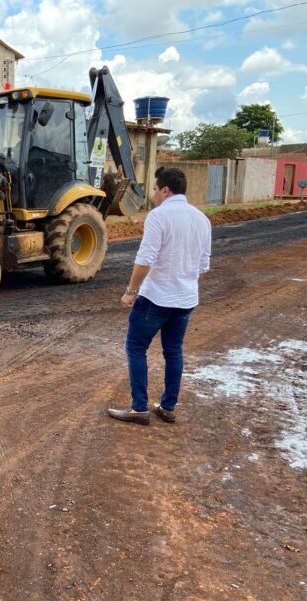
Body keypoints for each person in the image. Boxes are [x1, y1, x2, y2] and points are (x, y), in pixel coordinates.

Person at [107, 166, 211, 425]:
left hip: (156, 299)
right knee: (173, 351)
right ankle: (168, 407)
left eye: (155, 189)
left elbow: (145, 260)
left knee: (135, 347)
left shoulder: (159, 216)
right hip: (186, 300)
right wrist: (182, 283)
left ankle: (139, 407)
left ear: (165, 190)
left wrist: (130, 292)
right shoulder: (202, 219)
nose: (153, 194)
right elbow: (203, 266)